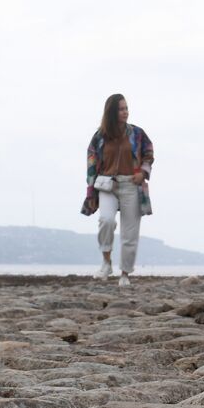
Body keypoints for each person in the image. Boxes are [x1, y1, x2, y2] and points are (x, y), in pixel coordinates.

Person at [81, 94, 154, 286]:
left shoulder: (137, 133)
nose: (125, 112)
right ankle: (106, 262)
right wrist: (90, 191)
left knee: (130, 233)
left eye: (126, 108)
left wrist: (144, 173)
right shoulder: (100, 136)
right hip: (107, 184)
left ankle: (125, 274)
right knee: (106, 220)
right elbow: (91, 161)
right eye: (121, 109)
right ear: (112, 112)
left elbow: (149, 152)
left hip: (131, 184)